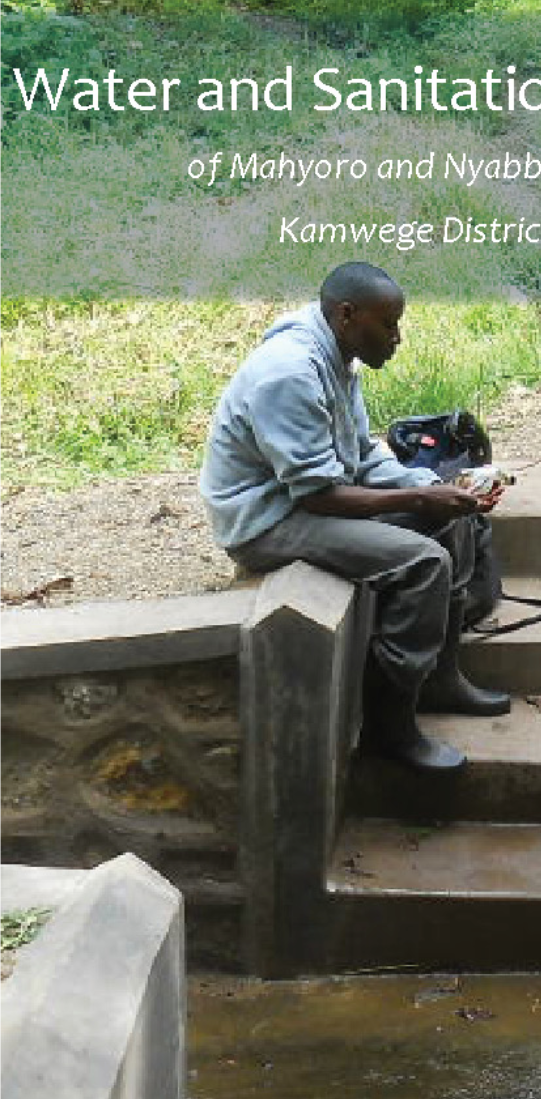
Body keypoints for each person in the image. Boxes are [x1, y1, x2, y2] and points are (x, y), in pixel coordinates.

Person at [199, 261, 511, 773]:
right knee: (423, 563)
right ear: (347, 315)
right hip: (265, 522)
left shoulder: (336, 356)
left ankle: (440, 678)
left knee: (456, 522)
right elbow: (320, 495)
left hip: (303, 501)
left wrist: (434, 487)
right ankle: (391, 729)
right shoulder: (290, 373)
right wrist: (417, 502)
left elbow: (362, 456)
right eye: (388, 325)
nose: (397, 338)